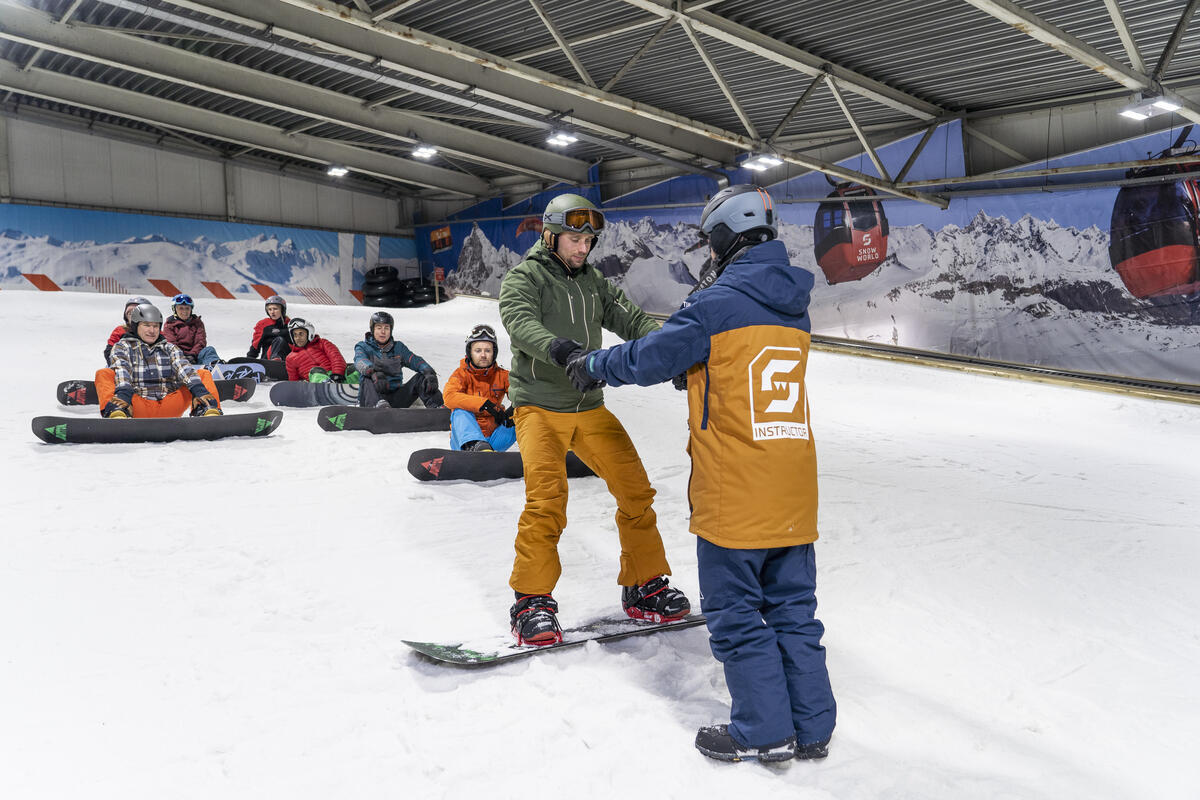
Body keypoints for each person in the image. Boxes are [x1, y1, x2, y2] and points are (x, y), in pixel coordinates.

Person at [562, 185, 836, 763]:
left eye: (712, 241)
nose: (709, 253)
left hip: (735, 489)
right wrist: (695, 373)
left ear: (729, 237)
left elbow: (650, 354)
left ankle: (763, 732)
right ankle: (812, 728)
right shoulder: (794, 304)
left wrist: (591, 365)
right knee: (792, 610)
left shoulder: (717, 302)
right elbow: (740, 369)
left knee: (736, 614)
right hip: (793, 488)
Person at [498, 192, 690, 647]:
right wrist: (559, 348)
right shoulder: (524, 278)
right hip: (539, 406)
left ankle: (643, 583)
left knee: (636, 491)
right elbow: (518, 321)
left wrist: (670, 354)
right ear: (550, 235)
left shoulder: (594, 284)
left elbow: (633, 320)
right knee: (547, 501)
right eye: (574, 239)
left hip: (589, 407)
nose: (583, 248)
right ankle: (531, 600)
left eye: (589, 240)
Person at [97, 302, 222, 418]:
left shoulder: (169, 347)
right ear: (136, 326)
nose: (152, 331)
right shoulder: (121, 347)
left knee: (202, 374)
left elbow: (184, 368)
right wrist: (123, 395)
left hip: (169, 405)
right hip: (135, 405)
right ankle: (116, 412)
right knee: (104, 374)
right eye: (146, 325)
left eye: (155, 326)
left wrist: (199, 391)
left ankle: (208, 409)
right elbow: (122, 371)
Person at [443, 324, 515, 452]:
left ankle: (540, 452)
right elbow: (449, 397)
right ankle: (475, 445)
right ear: (470, 352)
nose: (483, 355)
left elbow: (523, 393)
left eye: (488, 351)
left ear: (494, 353)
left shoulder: (503, 375)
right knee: (459, 411)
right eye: (478, 351)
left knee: (524, 413)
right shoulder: (461, 374)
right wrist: (485, 404)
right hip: (464, 442)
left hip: (494, 440)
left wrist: (514, 409)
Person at [353, 311, 444, 409]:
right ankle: (378, 408)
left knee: (423, 377)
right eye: (379, 328)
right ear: (372, 330)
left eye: (386, 328)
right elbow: (359, 361)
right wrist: (373, 372)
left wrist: (429, 372)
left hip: (395, 398)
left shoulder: (398, 348)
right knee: (367, 378)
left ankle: (437, 409)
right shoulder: (363, 346)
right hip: (370, 399)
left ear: (391, 330)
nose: (383, 332)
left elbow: (414, 360)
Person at [162, 293, 221, 367]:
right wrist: (182, 356)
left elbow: (200, 341)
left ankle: (217, 370)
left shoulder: (197, 323)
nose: (184, 311)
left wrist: (192, 355)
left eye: (187, 308)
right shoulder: (169, 324)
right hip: (178, 359)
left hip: (195, 356)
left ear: (191, 309)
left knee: (209, 350)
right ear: (175, 309)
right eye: (181, 308)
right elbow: (171, 344)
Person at [283, 318, 346, 382]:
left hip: (335, 376)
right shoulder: (290, 358)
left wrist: (337, 374)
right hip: (315, 382)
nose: (298, 338)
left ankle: (352, 386)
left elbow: (336, 357)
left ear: (309, 334)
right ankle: (326, 384)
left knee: (352, 370)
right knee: (316, 371)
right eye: (295, 335)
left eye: (301, 334)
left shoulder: (323, 343)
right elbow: (293, 380)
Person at [103, 295, 151, 362]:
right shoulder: (121, 331)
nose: (133, 316)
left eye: (138, 313)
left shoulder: (155, 332)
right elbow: (109, 352)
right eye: (130, 313)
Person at [247, 295, 291, 360]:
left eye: (275, 309)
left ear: (282, 310)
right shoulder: (263, 324)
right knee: (279, 340)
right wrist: (249, 359)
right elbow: (255, 345)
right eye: (270, 309)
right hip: (267, 359)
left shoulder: (290, 325)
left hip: (286, 359)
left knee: (281, 340)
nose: (272, 312)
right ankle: (275, 360)